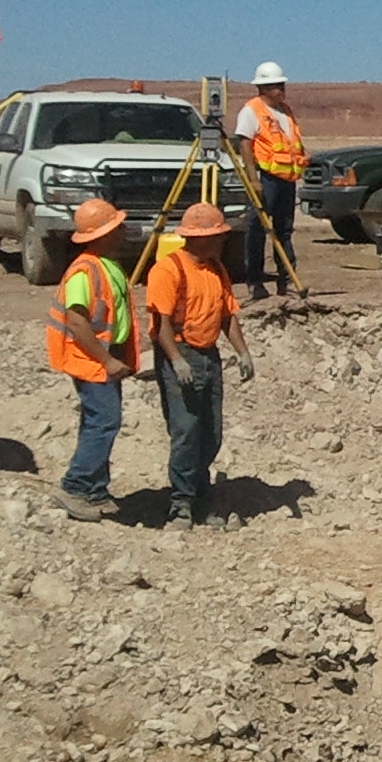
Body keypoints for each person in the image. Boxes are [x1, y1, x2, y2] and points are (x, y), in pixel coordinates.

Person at [148, 200, 254, 530]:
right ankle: (181, 504)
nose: (223, 240)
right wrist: (177, 361)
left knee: (211, 431)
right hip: (179, 352)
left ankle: (202, 494)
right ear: (200, 237)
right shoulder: (168, 270)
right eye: (218, 234)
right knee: (186, 430)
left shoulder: (216, 269)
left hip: (208, 355)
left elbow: (227, 316)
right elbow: (162, 323)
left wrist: (242, 351)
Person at [46, 198, 138, 520]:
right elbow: (77, 321)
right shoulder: (83, 272)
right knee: (104, 421)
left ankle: (95, 490)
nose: (124, 231)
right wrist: (107, 360)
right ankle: (75, 486)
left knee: (97, 421)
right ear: (102, 234)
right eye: (117, 227)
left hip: (103, 356)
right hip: (90, 358)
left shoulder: (105, 264)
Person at [235, 60, 305, 301]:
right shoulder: (251, 110)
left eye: (282, 84)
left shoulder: (285, 110)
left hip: (286, 179)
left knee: (284, 230)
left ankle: (287, 280)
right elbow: (244, 144)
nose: (282, 89)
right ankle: (255, 282)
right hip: (265, 178)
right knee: (257, 229)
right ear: (263, 88)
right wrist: (253, 179)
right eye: (277, 85)